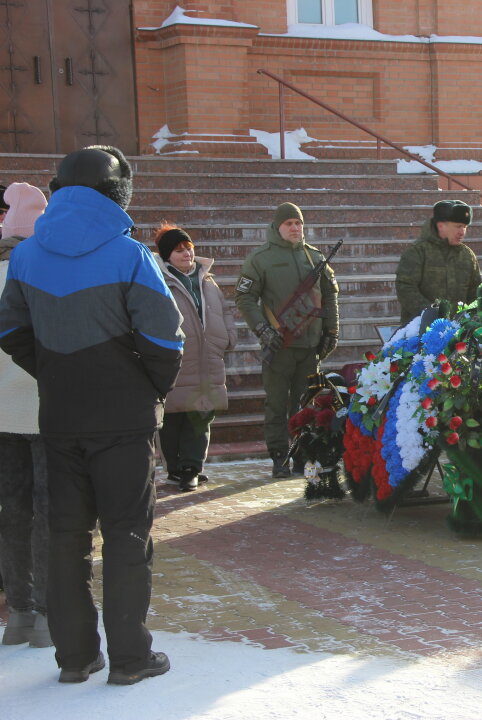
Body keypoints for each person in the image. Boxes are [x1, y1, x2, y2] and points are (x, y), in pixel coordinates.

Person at [0, 146, 182, 684]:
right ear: (116, 193)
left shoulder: (28, 256)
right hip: (123, 421)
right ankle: (130, 658)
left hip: (59, 416)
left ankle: (74, 658)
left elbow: (11, 331)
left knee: (65, 535)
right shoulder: (130, 255)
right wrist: (146, 389)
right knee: (127, 534)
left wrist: (54, 374)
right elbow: (164, 338)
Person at [235, 202, 340, 479]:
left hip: (310, 346)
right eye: (289, 223)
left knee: (307, 404)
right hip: (279, 345)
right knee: (277, 403)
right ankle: (280, 456)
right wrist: (262, 329)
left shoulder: (315, 257)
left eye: (298, 223)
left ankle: (302, 455)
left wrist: (332, 331)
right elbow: (244, 297)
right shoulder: (261, 258)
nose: (295, 228)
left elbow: (329, 296)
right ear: (277, 227)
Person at [0, 182, 51, 648]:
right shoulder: (42, 274)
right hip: (44, 411)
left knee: (11, 512)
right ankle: (49, 616)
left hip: (0, 416)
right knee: (49, 511)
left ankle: (18, 614)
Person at [154, 225, 236, 491]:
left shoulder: (207, 281)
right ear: (168, 256)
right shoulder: (160, 280)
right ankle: (175, 468)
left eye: (188, 248)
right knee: (173, 417)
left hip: (208, 358)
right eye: (179, 250)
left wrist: (227, 338)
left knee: (201, 414)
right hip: (177, 359)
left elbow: (224, 312)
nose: (186, 254)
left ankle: (192, 467)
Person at [395, 200, 480, 324]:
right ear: (441, 226)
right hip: (421, 330)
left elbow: (475, 293)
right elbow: (405, 288)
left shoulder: (467, 255)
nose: (462, 232)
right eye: (458, 226)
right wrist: (432, 314)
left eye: (464, 227)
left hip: (458, 330)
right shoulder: (418, 252)